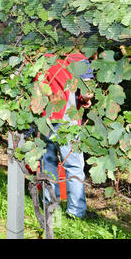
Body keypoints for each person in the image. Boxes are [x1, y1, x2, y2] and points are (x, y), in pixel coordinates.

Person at [38, 52, 96, 219]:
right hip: (68, 120)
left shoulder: (45, 55)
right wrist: (86, 100)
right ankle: (76, 212)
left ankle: (49, 206)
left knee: (48, 163)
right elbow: (87, 92)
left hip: (45, 117)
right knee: (74, 167)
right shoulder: (79, 59)